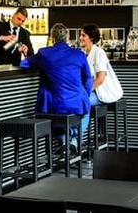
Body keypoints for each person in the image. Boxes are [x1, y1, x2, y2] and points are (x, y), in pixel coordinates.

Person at [21, 23, 92, 153]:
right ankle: (74, 142)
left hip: (54, 106)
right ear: (67, 38)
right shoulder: (79, 54)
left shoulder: (44, 53)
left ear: (52, 38)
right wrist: (84, 96)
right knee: (85, 112)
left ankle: (64, 141)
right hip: (77, 104)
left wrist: (25, 54)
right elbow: (88, 79)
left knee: (55, 119)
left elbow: (24, 64)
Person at [79, 24, 124, 141]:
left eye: (83, 35)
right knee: (76, 101)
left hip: (103, 92)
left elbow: (100, 79)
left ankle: (77, 139)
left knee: (83, 102)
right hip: (92, 91)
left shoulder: (99, 53)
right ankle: (73, 138)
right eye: (81, 35)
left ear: (91, 38)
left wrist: (85, 91)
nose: (80, 38)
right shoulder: (82, 53)